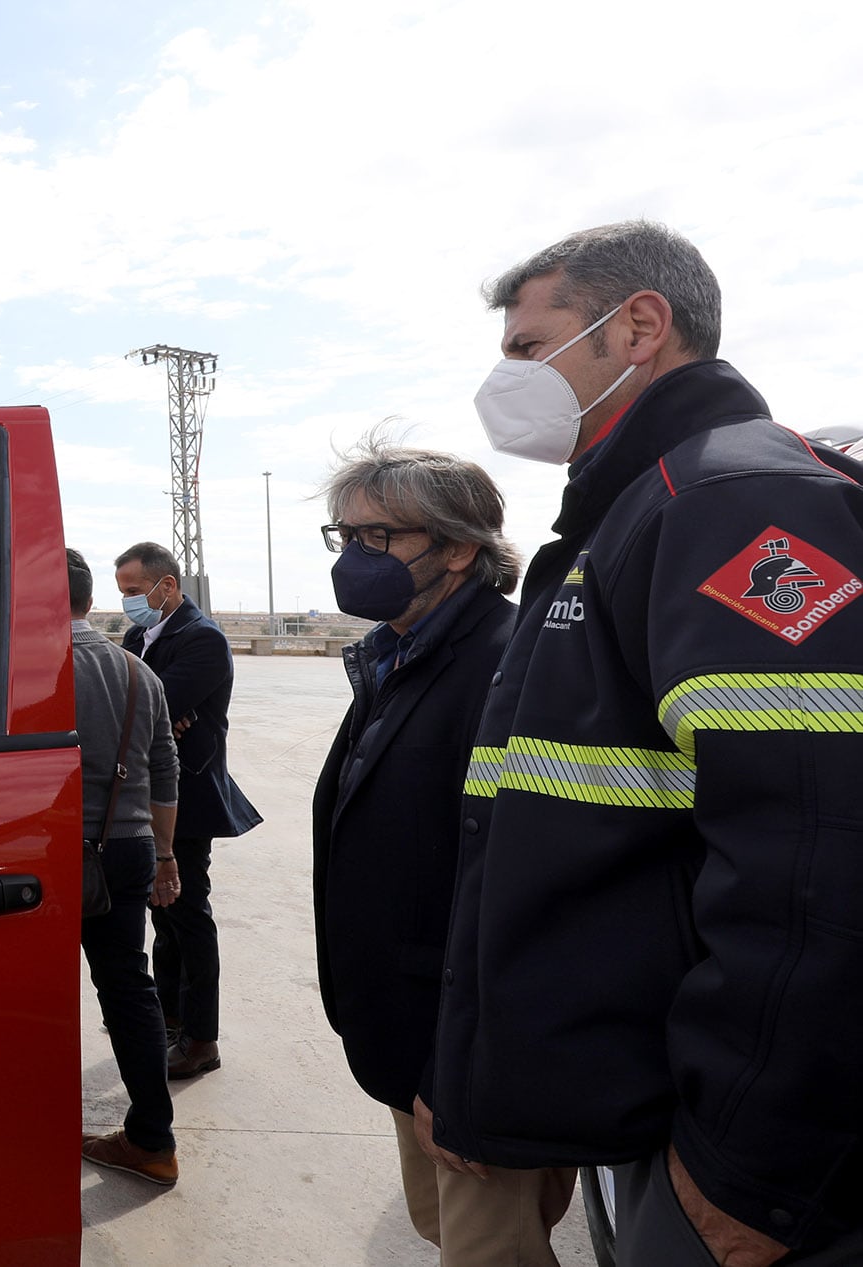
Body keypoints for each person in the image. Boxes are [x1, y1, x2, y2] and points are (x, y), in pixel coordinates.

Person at [424, 220, 863, 1266]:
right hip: (646, 1102)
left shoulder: (732, 500)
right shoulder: (632, 510)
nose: (506, 380)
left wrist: (750, 1167)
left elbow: (818, 850)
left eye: (527, 347)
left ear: (637, 327)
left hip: (734, 1150)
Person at [312, 435, 574, 1263]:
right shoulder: (399, 653)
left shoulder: (508, 664)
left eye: (377, 537)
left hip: (467, 1051)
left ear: (460, 547)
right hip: (411, 1036)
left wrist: (462, 1069)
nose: (354, 556)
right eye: (343, 536)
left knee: (489, 1249)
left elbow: (519, 890)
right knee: (440, 1228)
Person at [112, 542, 260, 1077]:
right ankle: (171, 1017)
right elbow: (139, 711)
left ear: (167, 586)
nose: (128, 602)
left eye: (134, 591)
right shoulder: (137, 637)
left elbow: (142, 711)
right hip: (146, 793)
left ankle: (201, 1039)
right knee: (164, 915)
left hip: (188, 798)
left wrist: (153, 720)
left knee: (188, 914)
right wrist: (157, 722)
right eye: (123, 592)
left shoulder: (202, 639)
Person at [69, 547, 185, 1187]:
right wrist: (165, 855)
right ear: (90, 600)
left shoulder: (30, 669)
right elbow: (163, 773)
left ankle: (19, 1124)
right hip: (131, 847)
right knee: (129, 988)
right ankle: (152, 1139)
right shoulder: (141, 674)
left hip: (55, 854)